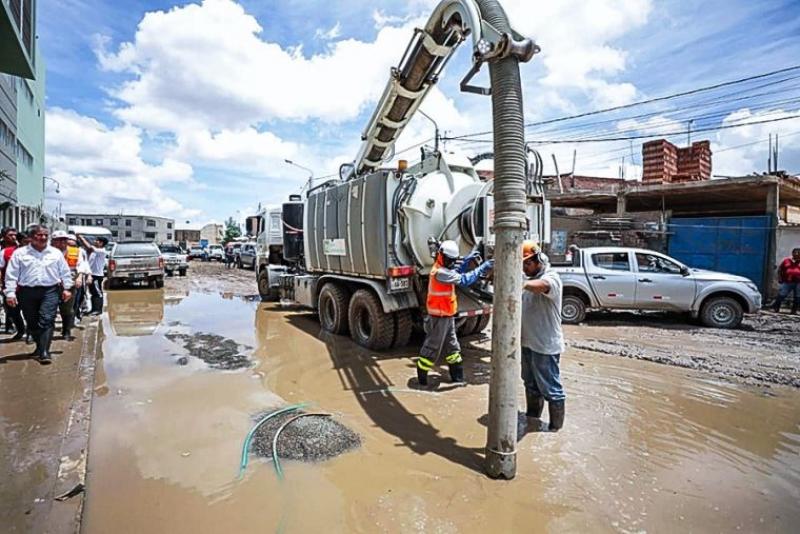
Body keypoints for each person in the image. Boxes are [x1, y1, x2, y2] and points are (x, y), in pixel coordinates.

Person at [415, 240, 494, 386]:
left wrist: (466, 261)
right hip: (438, 317)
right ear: (442, 256)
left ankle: (457, 377)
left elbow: (455, 272)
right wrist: (483, 267)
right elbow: (464, 280)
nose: (452, 263)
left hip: (447, 315)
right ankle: (422, 379)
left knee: (453, 346)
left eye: (454, 261)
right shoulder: (439, 272)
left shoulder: (444, 267)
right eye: (450, 260)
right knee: (432, 347)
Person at [5, 225, 73, 363]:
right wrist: (10, 293)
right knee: (32, 322)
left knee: (47, 319)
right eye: (39, 235)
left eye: (45, 235)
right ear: (30, 237)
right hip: (27, 292)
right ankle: (39, 346)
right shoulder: (20, 253)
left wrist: (67, 288)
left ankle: (44, 352)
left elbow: (65, 272)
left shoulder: (55, 253)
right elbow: (11, 274)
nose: (43, 238)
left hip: (50, 291)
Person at [520, 240, 566, 432]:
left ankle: (555, 429)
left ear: (539, 260)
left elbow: (542, 286)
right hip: (528, 344)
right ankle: (533, 420)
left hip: (545, 345)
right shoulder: (526, 279)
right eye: (522, 264)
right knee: (530, 385)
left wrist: (520, 282)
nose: (525, 267)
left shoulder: (551, 277)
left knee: (551, 389)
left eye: (527, 263)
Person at [51, 231, 88, 341]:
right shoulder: (46, 252)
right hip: (50, 284)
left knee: (67, 309)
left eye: (64, 239)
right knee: (48, 309)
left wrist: (79, 277)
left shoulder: (75, 252)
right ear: (53, 241)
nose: (63, 242)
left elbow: (81, 265)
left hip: (68, 284)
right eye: (59, 240)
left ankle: (66, 330)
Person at [0, 227, 26, 340]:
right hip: (10, 287)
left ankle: (30, 333)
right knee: (13, 311)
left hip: (28, 288)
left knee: (30, 311)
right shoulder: (6, 252)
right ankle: (20, 330)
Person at [78, 235, 108, 315]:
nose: (95, 242)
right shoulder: (94, 251)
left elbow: (89, 248)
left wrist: (82, 238)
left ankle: (97, 310)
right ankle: (93, 309)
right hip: (90, 274)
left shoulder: (101, 251)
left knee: (97, 293)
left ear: (101, 243)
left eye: (97, 240)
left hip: (96, 275)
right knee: (92, 292)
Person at [67, 236, 91, 324]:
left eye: (72, 241)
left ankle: (75, 316)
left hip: (77, 279)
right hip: (63, 280)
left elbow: (84, 264)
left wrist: (88, 275)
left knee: (78, 299)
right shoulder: (59, 252)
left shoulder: (80, 251)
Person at [773, 247, 800, 314]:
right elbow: (780, 270)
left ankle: (794, 311)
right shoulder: (787, 260)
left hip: (798, 282)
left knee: (797, 297)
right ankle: (776, 308)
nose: (796, 254)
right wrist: (779, 278)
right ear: (792, 253)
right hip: (787, 281)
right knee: (782, 294)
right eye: (795, 253)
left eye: (798, 253)